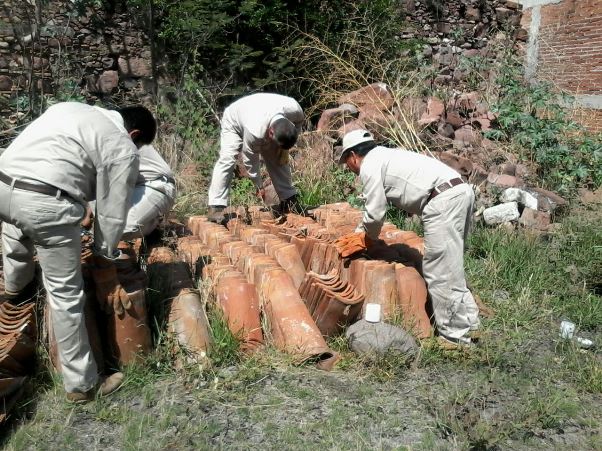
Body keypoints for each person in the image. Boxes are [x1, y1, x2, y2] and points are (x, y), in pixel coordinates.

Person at [0, 102, 156, 401]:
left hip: (3, 181)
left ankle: (16, 289)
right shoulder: (122, 145)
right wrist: (103, 254)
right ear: (134, 134)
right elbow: (112, 213)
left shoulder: (70, 108)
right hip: (45, 201)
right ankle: (82, 385)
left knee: (16, 229)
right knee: (66, 294)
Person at [334, 129, 480, 346]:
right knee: (451, 264)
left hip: (443, 200)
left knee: (439, 270)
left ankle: (455, 339)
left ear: (353, 156)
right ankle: (470, 323)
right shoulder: (386, 155)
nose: (350, 169)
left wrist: (364, 238)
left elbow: (375, 213)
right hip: (459, 192)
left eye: (347, 163)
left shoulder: (370, 165)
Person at [207, 93, 304, 222]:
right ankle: (215, 206)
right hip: (234, 120)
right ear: (270, 132)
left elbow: (298, 124)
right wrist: (259, 186)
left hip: (260, 112)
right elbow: (250, 160)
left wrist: (284, 149)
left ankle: (288, 200)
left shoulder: (295, 109)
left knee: (277, 156)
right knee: (227, 159)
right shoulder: (255, 131)